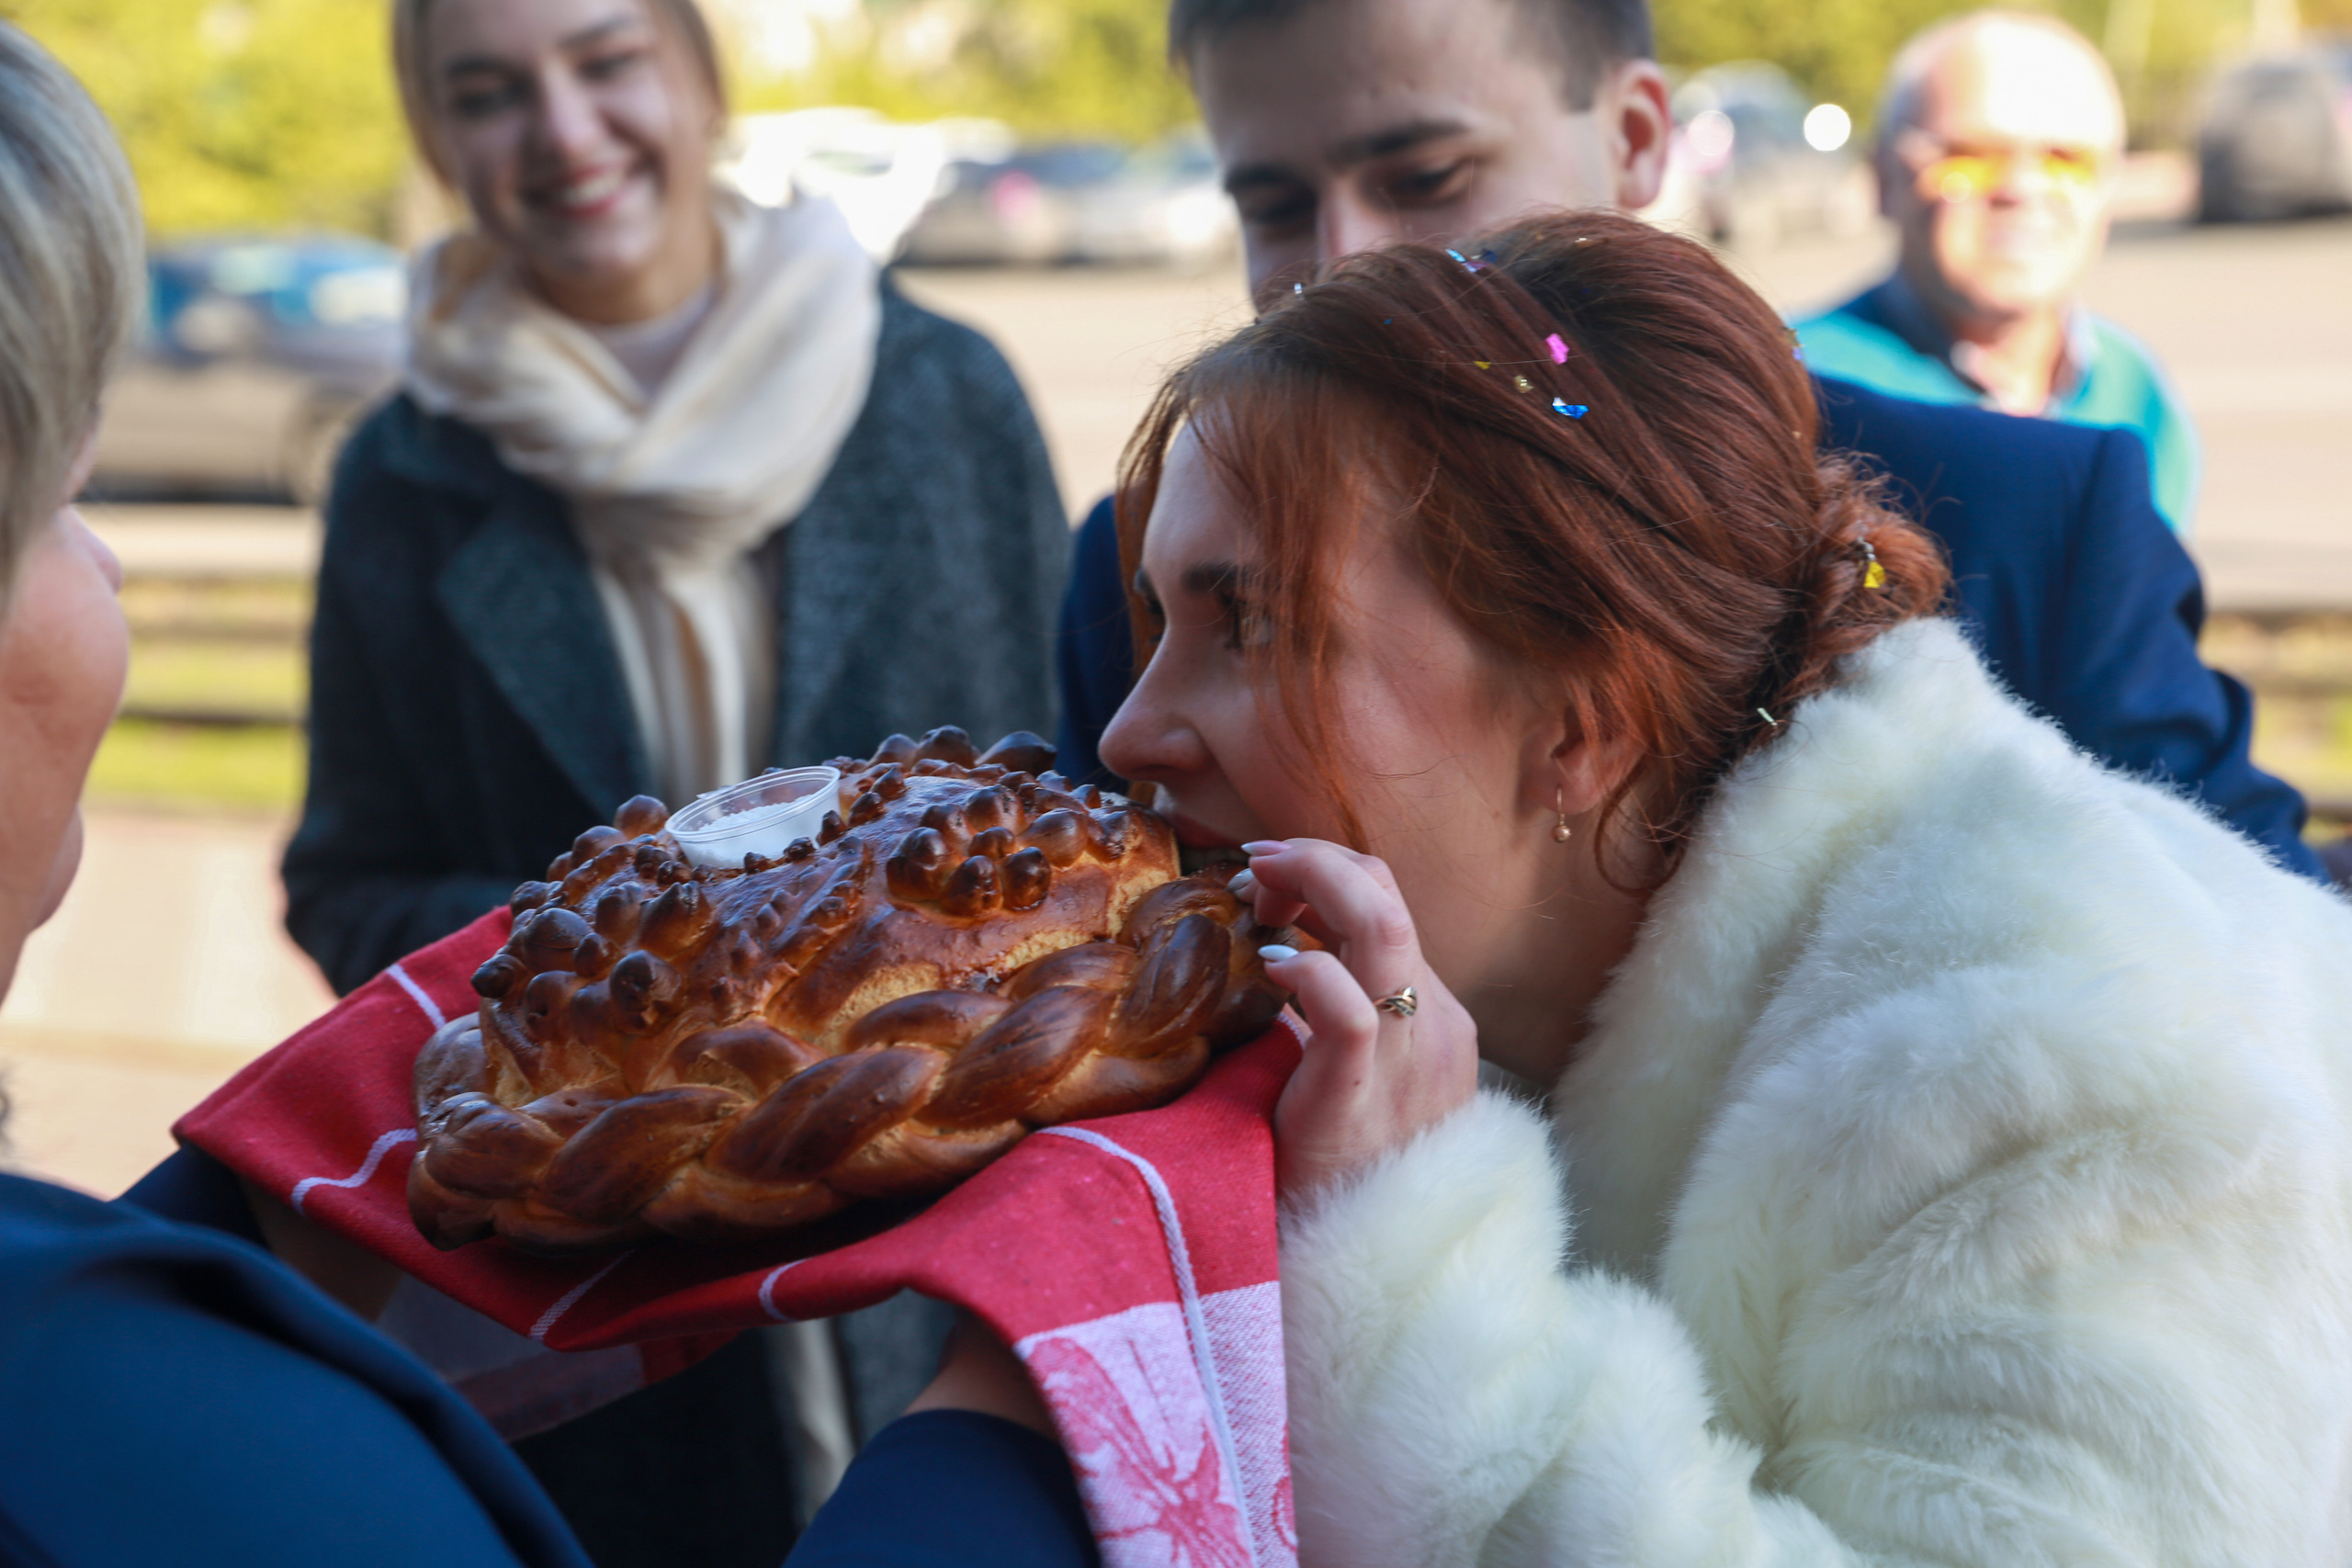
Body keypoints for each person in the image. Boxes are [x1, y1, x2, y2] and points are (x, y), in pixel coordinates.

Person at [841, 209, 2352, 1565]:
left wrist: (1407, 1265)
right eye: (1155, 618)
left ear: (1583, 726)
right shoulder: (1519, 955)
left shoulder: (2064, 1059)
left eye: (1247, 626)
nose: (1128, 732)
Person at [263, 0, 1058, 1555]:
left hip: (953, 1251)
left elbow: (1073, 794)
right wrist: (624, 989)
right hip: (619, 1310)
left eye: (606, 61)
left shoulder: (942, 391)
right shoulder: (404, 477)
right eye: (490, 92)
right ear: (437, 139)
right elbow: (347, 880)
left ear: (696, 79)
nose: (563, 132)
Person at [1057, 0, 2322, 882]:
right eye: (1274, 206)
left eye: (1429, 175)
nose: (1346, 263)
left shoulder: (2026, 518)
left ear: (1638, 138)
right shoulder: (1142, 571)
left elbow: (2270, 972)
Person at [0, 25, 578, 1563]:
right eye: (67, 502)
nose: (109, 560)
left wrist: (265, 1216)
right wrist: (996, 1415)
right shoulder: (265, 1482)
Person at [1792, 11, 2200, 531]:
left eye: (2065, 159)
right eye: (1972, 156)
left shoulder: (2137, 394)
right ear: (1884, 180)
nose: (2021, 188)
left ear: (2109, 187)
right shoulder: (1794, 387)